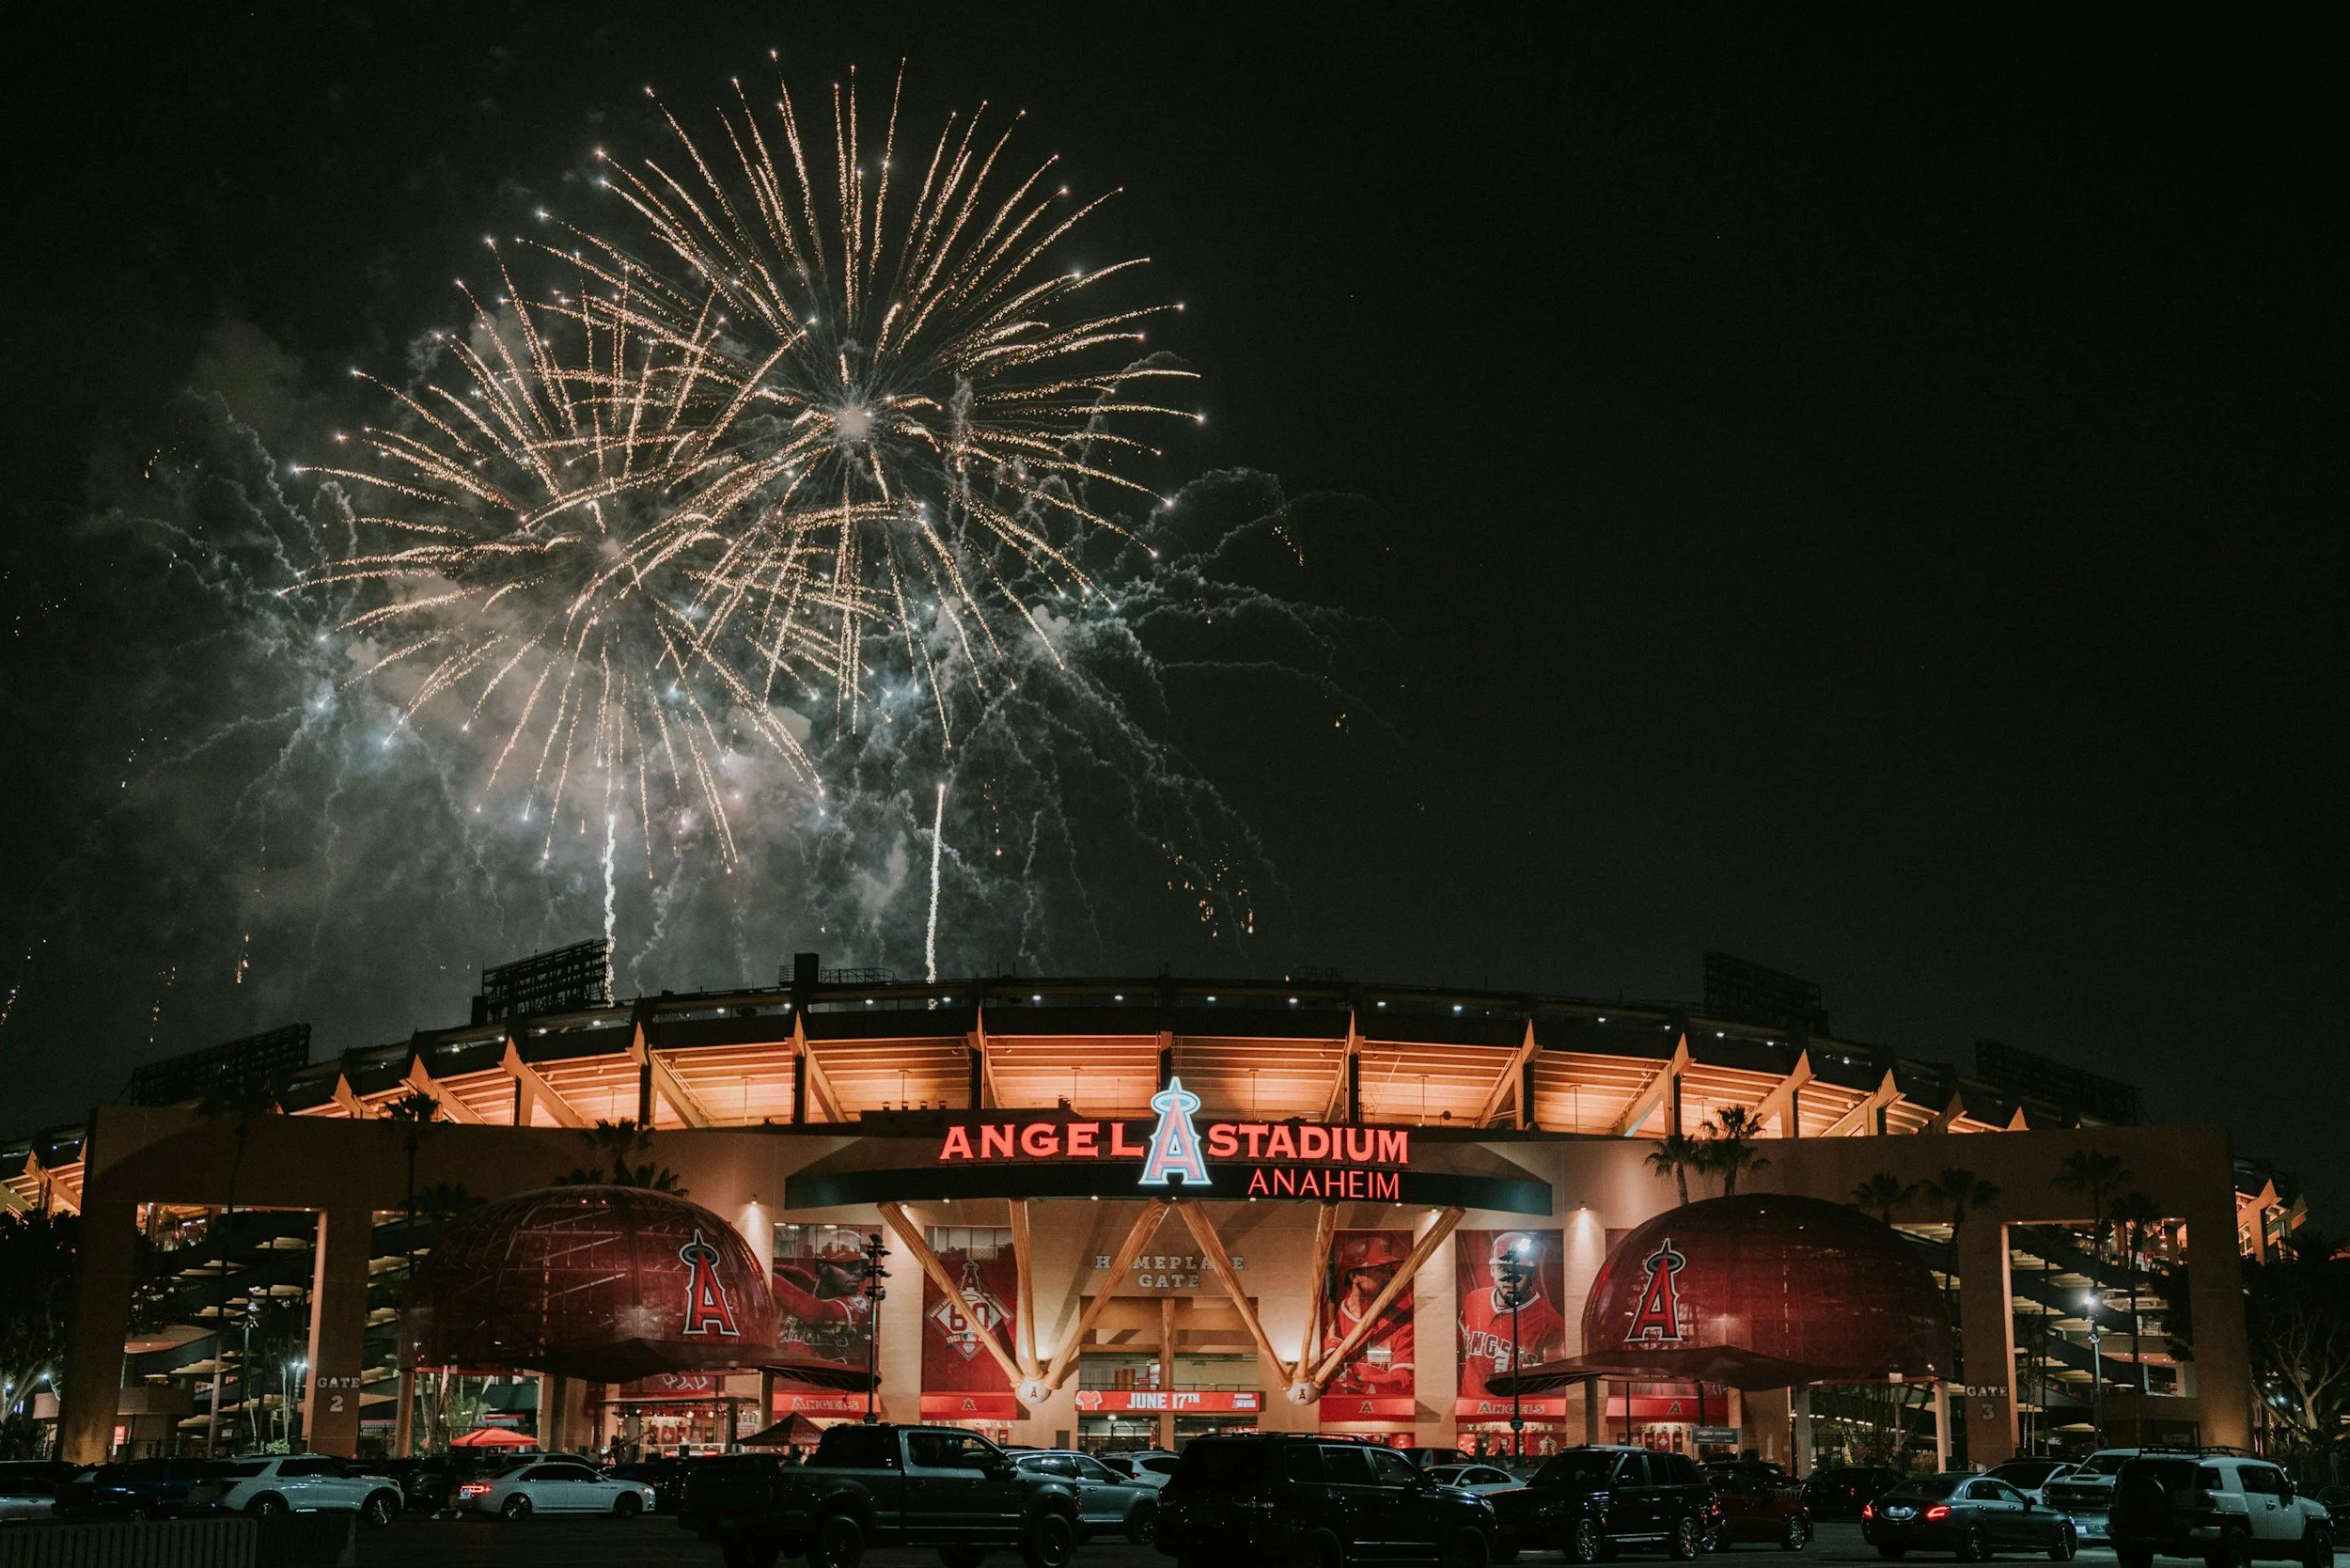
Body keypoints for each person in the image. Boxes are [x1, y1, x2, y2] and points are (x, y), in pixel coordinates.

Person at [1460, 1231, 1566, 1393]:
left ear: (1532, 1275)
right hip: (1471, 1409)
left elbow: (1557, 1387)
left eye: (1520, 1271)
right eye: (1504, 1269)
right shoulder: (1473, 1300)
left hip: (1520, 1409)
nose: (1511, 1279)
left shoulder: (1550, 1322)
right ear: (1492, 1270)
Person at [1324, 1233, 1415, 1396]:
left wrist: (1361, 1383)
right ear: (1355, 1276)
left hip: (1385, 1410)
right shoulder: (1331, 1319)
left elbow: (1404, 1381)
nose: (1389, 1277)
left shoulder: (1401, 1322)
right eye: (1380, 1269)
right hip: (1335, 1408)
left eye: (1389, 1270)